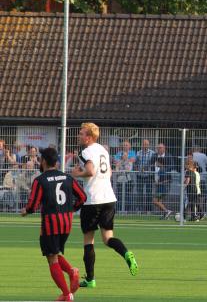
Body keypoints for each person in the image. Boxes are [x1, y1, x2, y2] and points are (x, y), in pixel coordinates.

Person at [72, 122, 138, 289]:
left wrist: (77, 174)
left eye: (81, 134)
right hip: (108, 198)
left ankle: (90, 279)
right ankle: (126, 253)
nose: (79, 136)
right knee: (108, 238)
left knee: (89, 240)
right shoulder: (103, 150)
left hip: (92, 200)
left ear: (88, 137)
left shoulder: (85, 151)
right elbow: (108, 172)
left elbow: (90, 171)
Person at [22, 147, 87, 301]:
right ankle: (72, 272)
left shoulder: (40, 180)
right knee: (54, 254)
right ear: (56, 162)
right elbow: (83, 197)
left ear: (43, 161)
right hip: (66, 223)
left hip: (50, 224)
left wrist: (26, 210)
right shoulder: (68, 178)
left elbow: (33, 204)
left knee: (52, 259)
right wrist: (71, 209)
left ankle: (66, 295)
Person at [135, 139, 155, 213]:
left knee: (149, 193)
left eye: (146, 144)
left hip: (148, 175)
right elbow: (136, 163)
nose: (145, 146)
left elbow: (153, 164)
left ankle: (148, 210)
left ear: (148, 145)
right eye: (144, 144)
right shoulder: (138, 153)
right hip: (140, 176)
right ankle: (139, 209)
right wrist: (137, 170)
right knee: (139, 193)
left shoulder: (152, 153)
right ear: (142, 145)